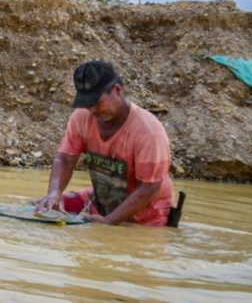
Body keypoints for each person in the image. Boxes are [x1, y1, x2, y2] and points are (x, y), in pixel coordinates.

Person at [33, 60, 176, 226]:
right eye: (87, 104)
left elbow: (149, 188)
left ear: (117, 90)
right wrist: (54, 192)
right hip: (102, 200)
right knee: (38, 209)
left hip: (145, 214)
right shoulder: (81, 117)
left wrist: (110, 222)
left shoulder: (148, 131)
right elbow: (65, 159)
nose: (92, 110)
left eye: (97, 102)